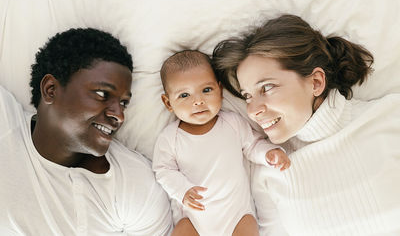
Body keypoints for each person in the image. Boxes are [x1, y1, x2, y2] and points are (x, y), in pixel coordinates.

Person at [211, 14, 400, 236]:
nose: (252, 111)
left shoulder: (390, 116)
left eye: (266, 87)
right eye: (247, 96)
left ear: (316, 82)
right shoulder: (268, 173)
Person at [0, 28, 173, 235]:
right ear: (50, 89)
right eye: (102, 94)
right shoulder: (6, 126)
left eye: (124, 103)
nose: (119, 115)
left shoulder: (136, 186)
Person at [152, 50, 290, 236]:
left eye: (206, 90)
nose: (198, 101)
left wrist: (268, 154)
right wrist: (182, 190)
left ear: (220, 90)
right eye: (184, 95)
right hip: (194, 219)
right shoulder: (170, 137)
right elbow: (163, 170)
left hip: (237, 216)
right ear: (168, 103)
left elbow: (252, 146)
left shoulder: (232, 123)